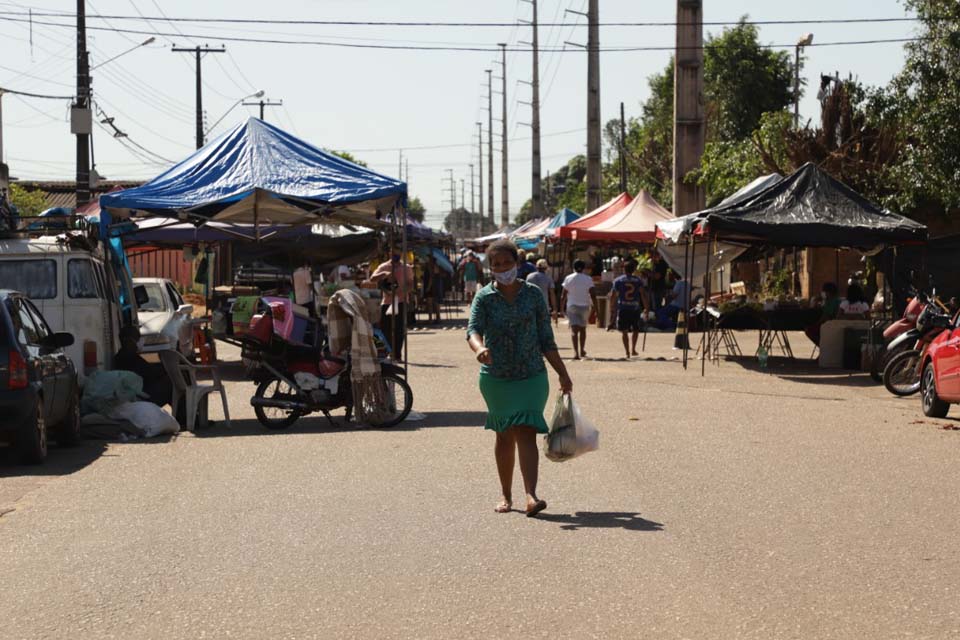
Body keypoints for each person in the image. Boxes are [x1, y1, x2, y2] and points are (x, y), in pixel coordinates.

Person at [467, 238, 572, 517]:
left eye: (506, 262)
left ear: (517, 263)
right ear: (490, 268)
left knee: (526, 430)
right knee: (504, 435)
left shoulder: (534, 294)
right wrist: (480, 349)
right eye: (496, 264)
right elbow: (473, 329)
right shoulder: (484, 297)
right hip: (496, 377)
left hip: (531, 375)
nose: (502, 268)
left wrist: (563, 373)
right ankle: (506, 494)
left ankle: (531, 495)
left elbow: (546, 339)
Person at [113, 325, 172, 408]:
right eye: (137, 338)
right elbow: (150, 373)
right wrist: (165, 369)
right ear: (129, 340)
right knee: (171, 383)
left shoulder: (124, 356)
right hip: (140, 398)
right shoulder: (128, 358)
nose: (140, 341)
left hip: (141, 394)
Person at [369, 253, 415, 359]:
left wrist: (401, 291)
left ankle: (397, 354)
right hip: (387, 302)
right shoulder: (383, 266)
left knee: (399, 329)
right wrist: (384, 274)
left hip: (401, 301)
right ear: (390, 253)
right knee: (386, 328)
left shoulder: (406, 268)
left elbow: (410, 284)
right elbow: (372, 278)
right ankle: (390, 351)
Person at [610, 259, 650, 358]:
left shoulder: (618, 280)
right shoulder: (638, 280)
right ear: (633, 270)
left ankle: (627, 351)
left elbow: (613, 295)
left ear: (624, 269)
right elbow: (643, 295)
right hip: (635, 308)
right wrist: (646, 308)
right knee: (635, 329)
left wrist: (612, 306)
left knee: (624, 331)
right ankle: (633, 349)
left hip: (623, 308)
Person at [561, 259, 597, 360]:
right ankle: (582, 350)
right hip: (585, 306)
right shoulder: (588, 279)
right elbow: (593, 294)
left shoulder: (568, 278)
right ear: (584, 268)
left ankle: (576, 353)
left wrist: (561, 308)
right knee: (583, 329)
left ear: (573, 267)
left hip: (572, 306)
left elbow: (563, 295)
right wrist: (596, 308)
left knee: (574, 330)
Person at [804, 282, 841, 346]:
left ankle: (823, 345)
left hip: (829, 325)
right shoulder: (831, 300)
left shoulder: (833, 301)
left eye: (824, 291)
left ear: (828, 292)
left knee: (809, 330)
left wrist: (818, 323)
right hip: (832, 325)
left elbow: (826, 316)